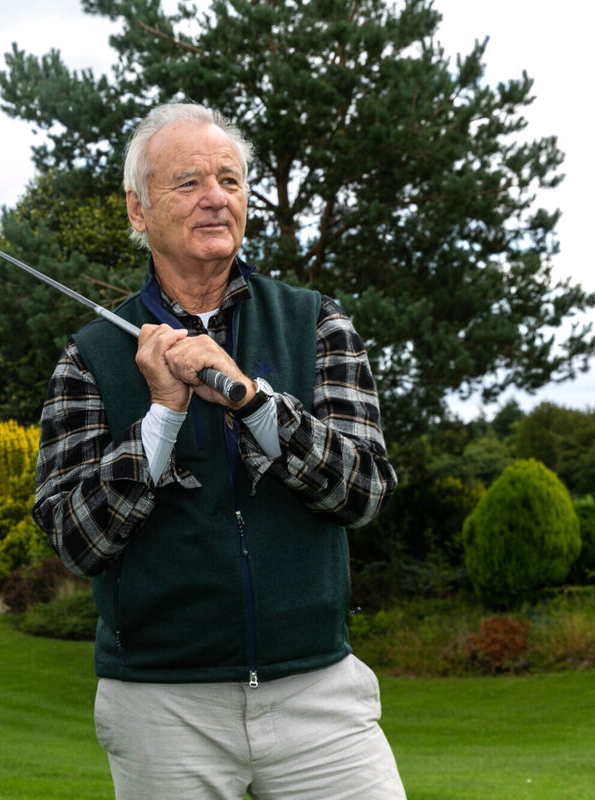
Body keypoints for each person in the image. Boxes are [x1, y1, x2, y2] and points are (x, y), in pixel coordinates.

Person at [33, 102, 405, 799]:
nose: (216, 198)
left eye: (231, 181)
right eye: (189, 182)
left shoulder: (315, 322)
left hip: (319, 692)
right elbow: (75, 540)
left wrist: (254, 402)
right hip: (162, 705)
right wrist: (160, 417)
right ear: (137, 211)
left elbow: (366, 492)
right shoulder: (89, 358)